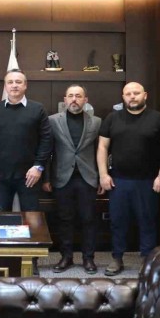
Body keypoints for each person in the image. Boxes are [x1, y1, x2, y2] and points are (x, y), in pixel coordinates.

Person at [97, 82, 160, 276]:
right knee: (117, 221)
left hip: (148, 181)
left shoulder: (158, 119)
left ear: (145, 95)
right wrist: (103, 174)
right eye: (128, 93)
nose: (132, 96)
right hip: (118, 181)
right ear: (123, 96)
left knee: (148, 221)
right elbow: (102, 147)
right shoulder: (112, 118)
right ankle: (117, 258)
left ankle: (146, 260)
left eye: (136, 93)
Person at [43, 84, 102, 274]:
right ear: (65, 99)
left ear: (85, 100)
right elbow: (47, 151)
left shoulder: (96, 122)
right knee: (64, 219)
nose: (74, 99)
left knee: (88, 219)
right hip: (62, 178)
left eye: (78, 96)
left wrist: (101, 177)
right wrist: (46, 178)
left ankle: (88, 258)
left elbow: (101, 152)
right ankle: (66, 257)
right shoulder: (53, 121)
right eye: (70, 96)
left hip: (88, 178)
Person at [0, 69, 52, 212]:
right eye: (10, 82)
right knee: (1, 218)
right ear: (5, 86)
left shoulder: (38, 109)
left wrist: (38, 167)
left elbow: (47, 139)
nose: (14, 85)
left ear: (25, 85)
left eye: (18, 82)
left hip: (30, 175)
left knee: (31, 217)